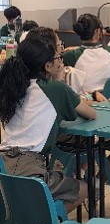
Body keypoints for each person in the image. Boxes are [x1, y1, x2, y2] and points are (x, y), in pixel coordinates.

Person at [0, 32, 96, 213]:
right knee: (84, 188)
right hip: (29, 169)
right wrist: (58, 80)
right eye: (57, 57)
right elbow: (90, 113)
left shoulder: (15, 85)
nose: (60, 60)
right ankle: (49, 222)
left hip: (4, 163)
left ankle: (34, 219)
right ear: (48, 65)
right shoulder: (55, 88)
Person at [62, 14, 110, 176]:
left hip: (80, 114)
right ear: (98, 32)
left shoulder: (71, 56)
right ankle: (97, 181)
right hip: (108, 111)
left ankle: (80, 171)